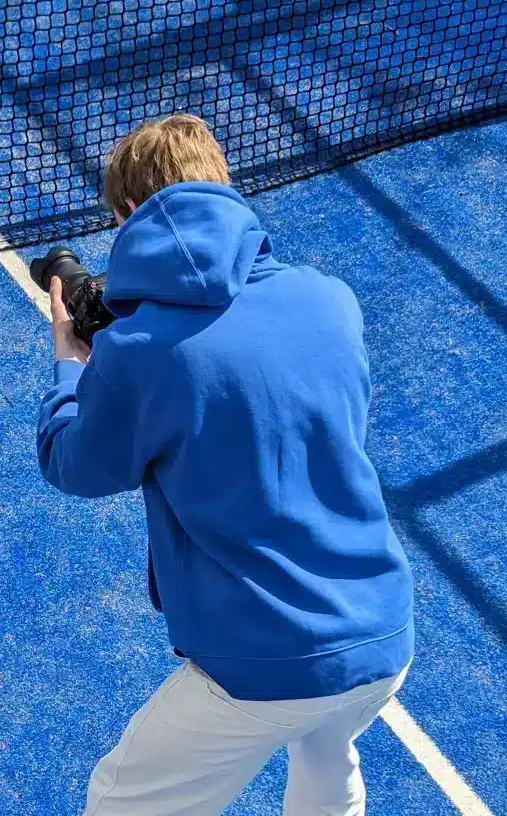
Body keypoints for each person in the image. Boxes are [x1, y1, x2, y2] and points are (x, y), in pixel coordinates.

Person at [35, 114, 414, 816]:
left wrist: (70, 364)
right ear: (223, 187)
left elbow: (75, 463)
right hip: (382, 634)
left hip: (262, 660)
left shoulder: (141, 350)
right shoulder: (329, 299)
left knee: (120, 801)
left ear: (126, 215)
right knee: (328, 762)